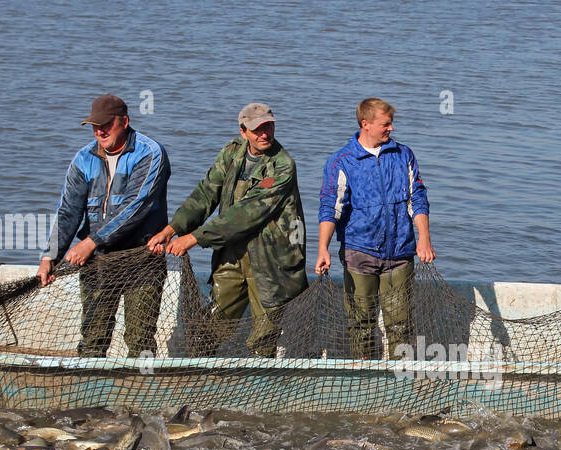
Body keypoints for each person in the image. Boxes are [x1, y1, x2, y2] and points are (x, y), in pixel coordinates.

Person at [148, 103, 307, 357]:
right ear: (243, 131)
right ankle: (198, 375)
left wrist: (194, 238)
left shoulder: (283, 165)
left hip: (270, 260)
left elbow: (246, 213)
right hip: (231, 254)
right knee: (211, 325)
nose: (265, 133)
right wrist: (173, 228)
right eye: (257, 129)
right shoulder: (232, 153)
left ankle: (261, 388)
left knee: (263, 336)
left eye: (269, 126)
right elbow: (206, 193)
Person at [38, 94, 170, 358]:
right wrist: (51, 255)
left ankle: (139, 393)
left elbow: (135, 206)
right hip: (99, 262)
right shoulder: (83, 158)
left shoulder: (151, 153)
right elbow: (68, 211)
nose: (99, 131)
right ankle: (90, 391)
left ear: (124, 121)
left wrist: (90, 242)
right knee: (93, 338)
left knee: (140, 339)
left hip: (142, 257)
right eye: (94, 125)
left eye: (106, 124)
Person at [316, 98, 434, 360]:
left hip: (400, 254)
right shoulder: (341, 161)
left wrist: (424, 238)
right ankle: (365, 376)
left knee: (401, 324)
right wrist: (322, 248)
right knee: (361, 324)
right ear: (365, 124)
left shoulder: (403, 155)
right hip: (359, 253)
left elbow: (418, 198)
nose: (391, 129)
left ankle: (401, 377)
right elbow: (330, 208)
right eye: (386, 124)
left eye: (391, 124)